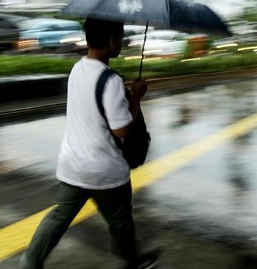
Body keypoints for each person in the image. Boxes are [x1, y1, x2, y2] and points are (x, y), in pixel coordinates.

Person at [19, 18, 158, 269]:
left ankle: (29, 262)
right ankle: (132, 261)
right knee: (120, 220)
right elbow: (121, 129)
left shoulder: (77, 69)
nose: (123, 42)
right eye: (121, 37)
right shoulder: (111, 80)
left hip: (73, 164)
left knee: (58, 217)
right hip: (104, 170)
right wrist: (135, 98)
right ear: (112, 41)